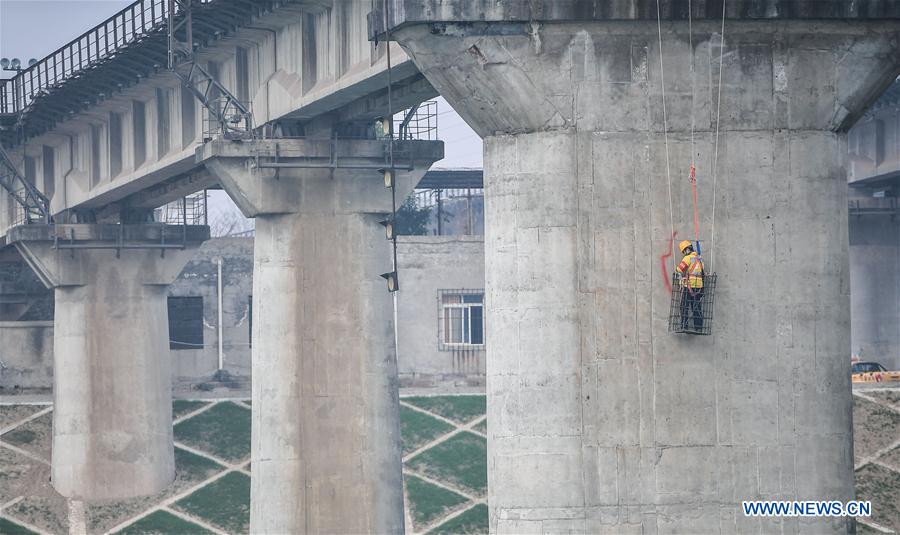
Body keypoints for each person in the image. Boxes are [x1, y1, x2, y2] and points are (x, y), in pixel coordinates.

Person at [677, 240, 704, 332]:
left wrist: (681, 280)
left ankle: (684, 326)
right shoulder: (699, 259)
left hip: (689, 286)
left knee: (684, 306)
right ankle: (698, 327)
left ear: (686, 250)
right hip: (699, 287)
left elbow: (679, 270)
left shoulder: (687, 258)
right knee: (696, 307)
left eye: (683, 251)